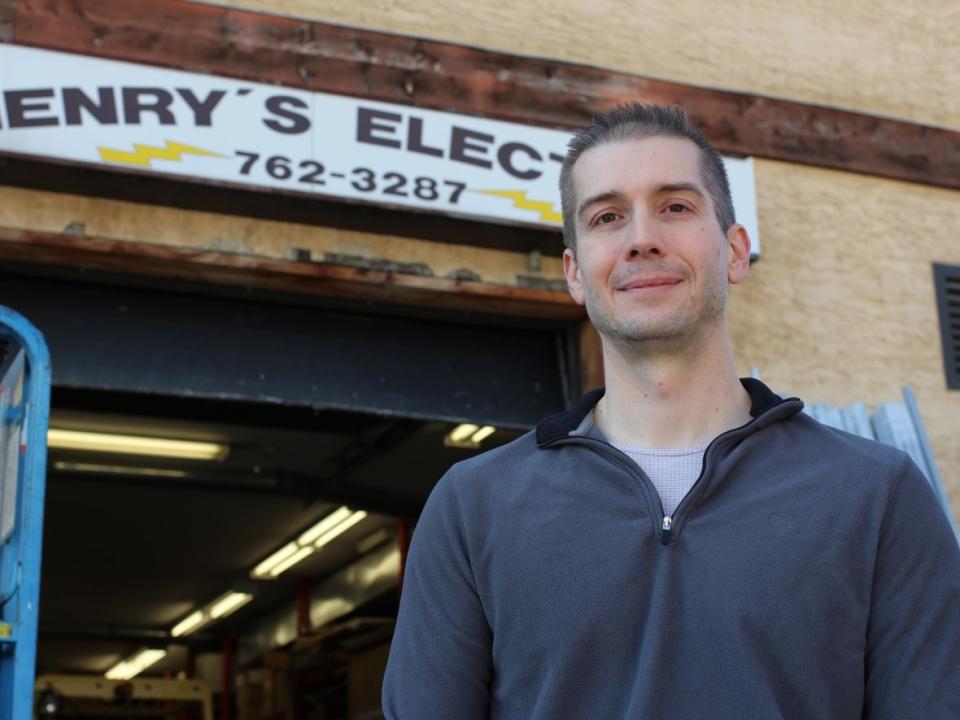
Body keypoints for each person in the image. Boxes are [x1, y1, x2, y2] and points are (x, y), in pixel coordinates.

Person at [381, 104, 960, 719]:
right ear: (576, 274)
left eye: (675, 207)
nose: (641, 238)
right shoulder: (473, 508)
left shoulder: (878, 496)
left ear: (735, 252)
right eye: (607, 217)